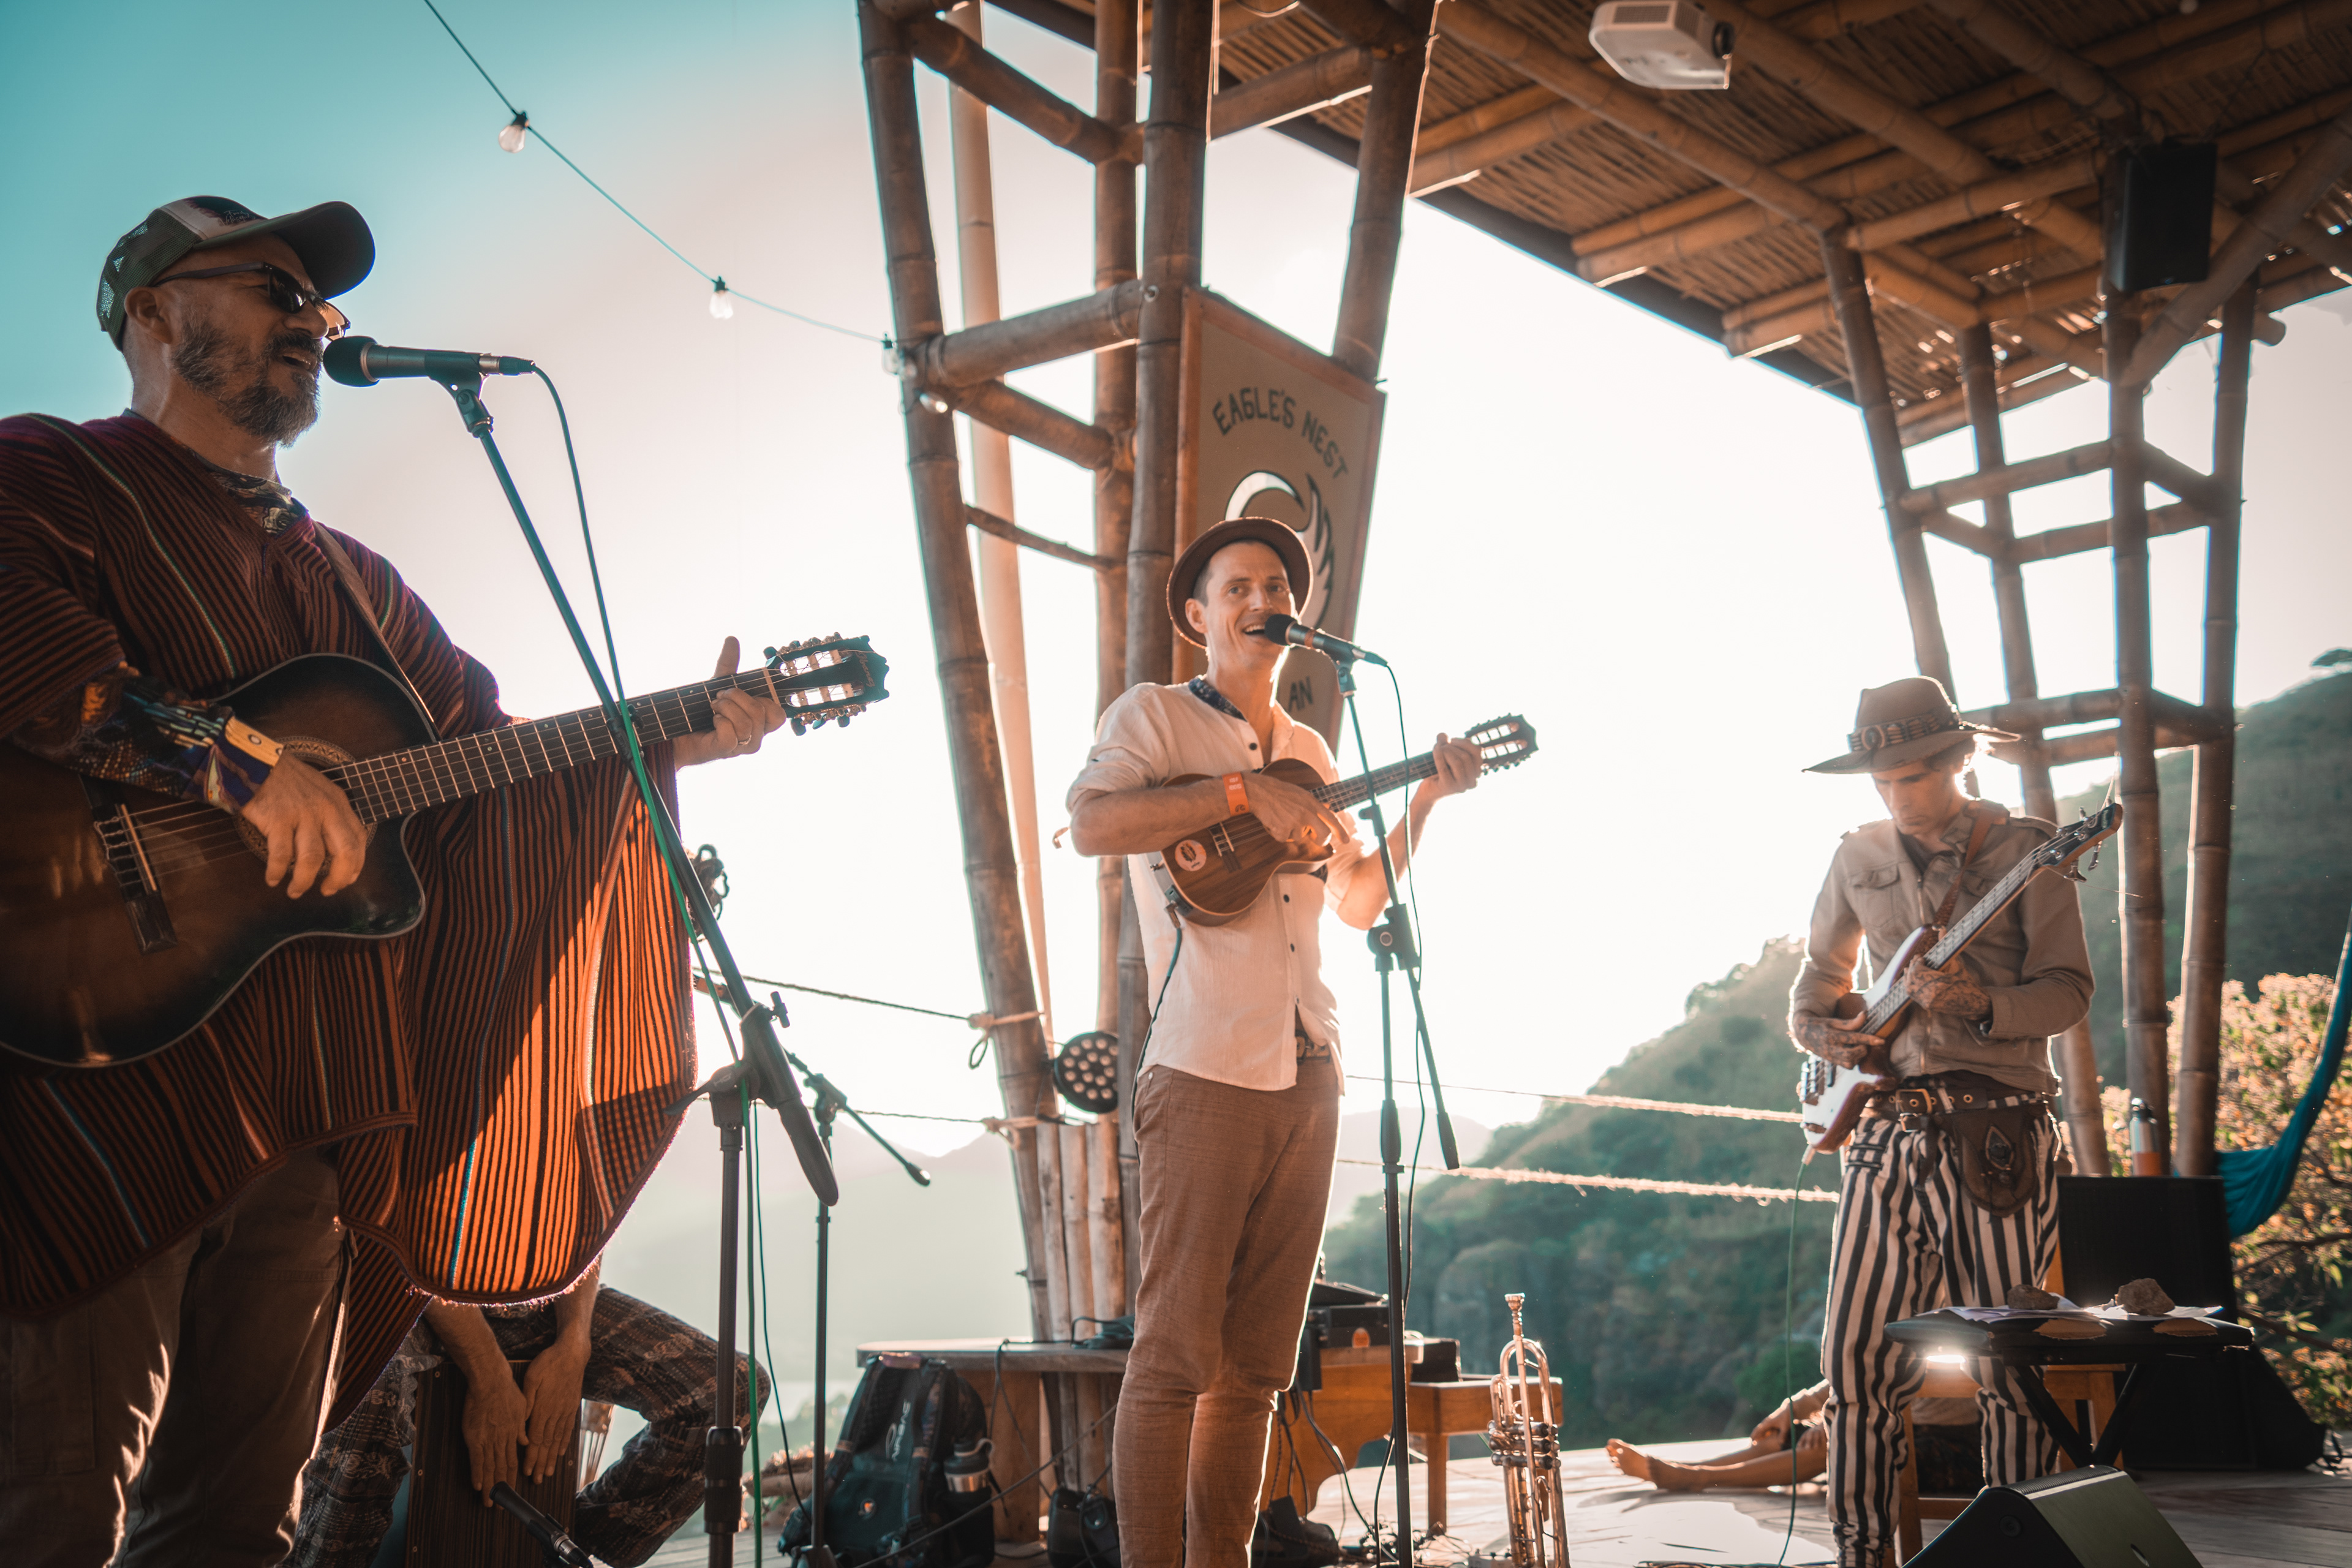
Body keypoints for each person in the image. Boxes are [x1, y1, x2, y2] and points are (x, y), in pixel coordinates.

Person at [0, 196, 783, 1566]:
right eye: (269, 286)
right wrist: (232, 763)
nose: (308, 319)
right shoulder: (57, 474)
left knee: (239, 1525)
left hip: (308, 1110)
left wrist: (659, 741)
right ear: (150, 311)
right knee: (54, 1508)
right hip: (99, 1084)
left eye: (320, 303)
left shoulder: (361, 587)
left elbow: (496, 782)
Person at [1066, 517, 1484, 1568]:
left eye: (1277, 586)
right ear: (1201, 615)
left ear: (1301, 625)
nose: (1262, 598)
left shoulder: (1312, 751)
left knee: (1254, 1370)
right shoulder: (1156, 717)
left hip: (1309, 1068)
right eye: (1238, 584)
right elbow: (1094, 823)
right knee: (1170, 1360)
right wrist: (1245, 795)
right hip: (1202, 1064)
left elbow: (1354, 901)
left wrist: (1426, 799)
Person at [1786, 677, 2093, 1568]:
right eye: (1879, 778)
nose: (1893, 793)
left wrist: (1984, 1003)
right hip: (1880, 1134)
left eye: (1911, 775)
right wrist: (1822, 1035)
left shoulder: (2031, 852)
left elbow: (2070, 991)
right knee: (1854, 1367)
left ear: (1959, 759)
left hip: (1995, 1131)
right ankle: (1860, 1556)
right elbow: (1815, 983)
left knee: (2008, 1369)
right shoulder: (1854, 857)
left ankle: (2019, 1558)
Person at [293, 1260, 767, 1568]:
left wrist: (574, 1345)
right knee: (369, 1389)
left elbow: (588, 1231)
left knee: (730, 1390)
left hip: (534, 1297)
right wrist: (488, 1374)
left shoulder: (570, 1104)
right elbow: (392, 1238)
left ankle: (559, 1552)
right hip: (411, 1297)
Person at [1608, 1382, 1831, 1491]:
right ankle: (1688, 1467)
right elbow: (1846, 1377)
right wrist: (1795, 1407)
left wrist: (1833, 1420)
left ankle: (1698, 1477)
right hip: (1848, 1418)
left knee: (1828, 1446)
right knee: (1782, 1438)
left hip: (1861, 1440)